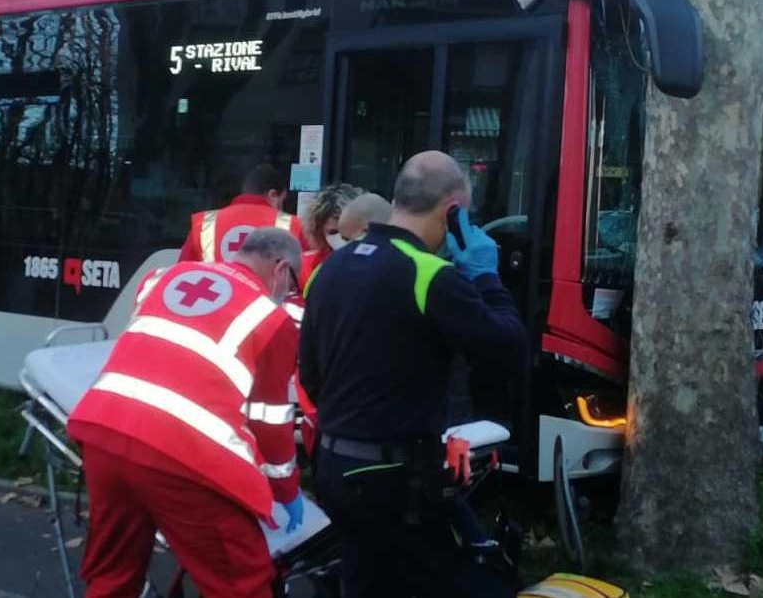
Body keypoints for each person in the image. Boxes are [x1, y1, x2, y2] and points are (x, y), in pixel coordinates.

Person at [299, 150, 527, 598]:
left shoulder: (329, 271)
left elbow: (310, 375)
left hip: (333, 467)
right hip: (394, 480)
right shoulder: (432, 276)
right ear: (453, 212)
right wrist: (485, 277)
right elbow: (510, 351)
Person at [66, 228, 306, 598]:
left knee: (112, 574)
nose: (287, 294)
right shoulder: (271, 321)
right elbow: (269, 420)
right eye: (291, 284)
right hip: (184, 456)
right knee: (241, 583)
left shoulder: (162, 278)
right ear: (280, 269)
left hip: (104, 432)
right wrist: (285, 489)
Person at [179, 163, 310, 263]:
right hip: (266, 299)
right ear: (273, 195)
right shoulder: (293, 226)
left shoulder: (205, 225)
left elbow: (183, 272)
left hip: (217, 297)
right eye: (283, 201)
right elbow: (305, 279)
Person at [301, 183, 363, 280]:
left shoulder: (383, 264)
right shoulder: (304, 267)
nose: (343, 237)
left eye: (348, 229)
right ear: (320, 233)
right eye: (333, 232)